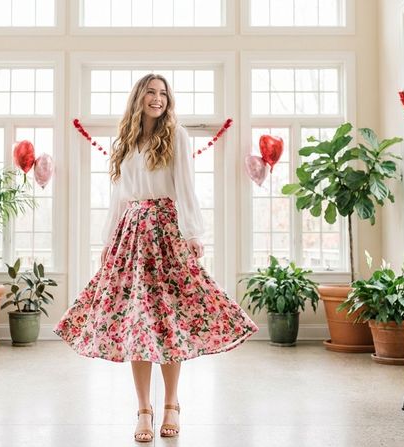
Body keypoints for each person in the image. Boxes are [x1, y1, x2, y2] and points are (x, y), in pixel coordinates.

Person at [54, 74, 258, 443]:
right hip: (130, 236)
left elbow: (185, 188)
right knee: (136, 324)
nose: (158, 98)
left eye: (163, 93)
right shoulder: (124, 141)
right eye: (151, 91)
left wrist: (193, 233)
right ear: (138, 97)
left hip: (165, 232)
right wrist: (108, 237)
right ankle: (143, 409)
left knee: (168, 322)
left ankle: (171, 404)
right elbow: (118, 194)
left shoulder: (176, 136)